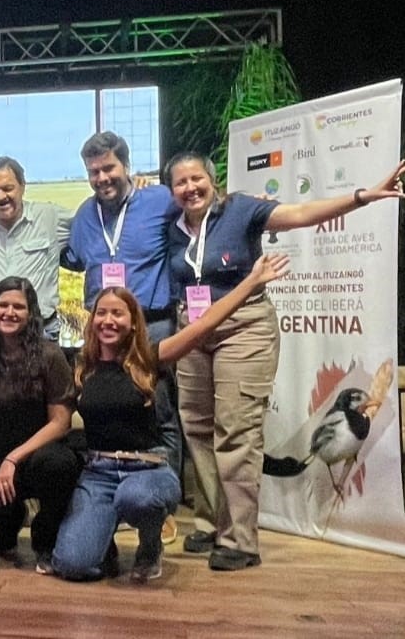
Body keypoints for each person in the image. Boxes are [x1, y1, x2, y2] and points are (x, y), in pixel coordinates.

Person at [165, 152, 405, 570]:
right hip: (194, 330)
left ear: (212, 179)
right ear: (171, 190)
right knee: (198, 429)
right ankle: (211, 522)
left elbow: (301, 214)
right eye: (180, 182)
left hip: (243, 329)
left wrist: (362, 196)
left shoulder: (242, 209)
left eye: (196, 178)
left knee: (236, 431)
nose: (190, 188)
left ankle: (240, 541)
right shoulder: (172, 226)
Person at [51, 253, 290, 583]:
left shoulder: (151, 359)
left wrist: (251, 282)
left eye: (117, 313)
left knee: (136, 498)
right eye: (101, 313)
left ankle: (150, 545)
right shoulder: (82, 367)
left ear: (134, 322)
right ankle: (103, 544)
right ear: (92, 320)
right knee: (72, 565)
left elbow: (204, 324)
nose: (108, 320)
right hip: (99, 473)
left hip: (147, 469)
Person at [62, 131, 183, 542]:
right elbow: (79, 263)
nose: (102, 178)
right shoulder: (84, 216)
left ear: (127, 166)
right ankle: (108, 495)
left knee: (159, 413)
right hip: (103, 331)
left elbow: (196, 221)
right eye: (93, 171)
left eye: (109, 168)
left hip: (151, 324)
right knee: (109, 410)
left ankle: (161, 509)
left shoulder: (159, 200)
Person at [0, 276, 79, 574]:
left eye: (19, 307)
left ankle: (46, 535)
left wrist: (14, 458)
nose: (10, 312)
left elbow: (61, 422)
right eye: (3, 305)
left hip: (41, 455)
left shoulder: (50, 356)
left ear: (31, 314)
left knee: (60, 466)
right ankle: (9, 523)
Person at [0, 157, 73, 345]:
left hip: (41, 333)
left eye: (8, 188)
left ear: (22, 186)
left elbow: (93, 223)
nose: (1, 196)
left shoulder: (49, 217)